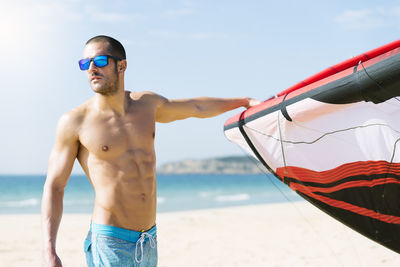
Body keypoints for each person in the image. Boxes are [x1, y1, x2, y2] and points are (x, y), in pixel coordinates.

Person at [41, 35, 260, 267]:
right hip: (110, 240)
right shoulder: (75, 121)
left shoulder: (146, 105)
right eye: (85, 64)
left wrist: (243, 102)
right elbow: (55, 186)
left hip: (148, 238)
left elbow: (196, 106)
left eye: (100, 61)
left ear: (121, 65)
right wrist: (49, 250)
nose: (92, 68)